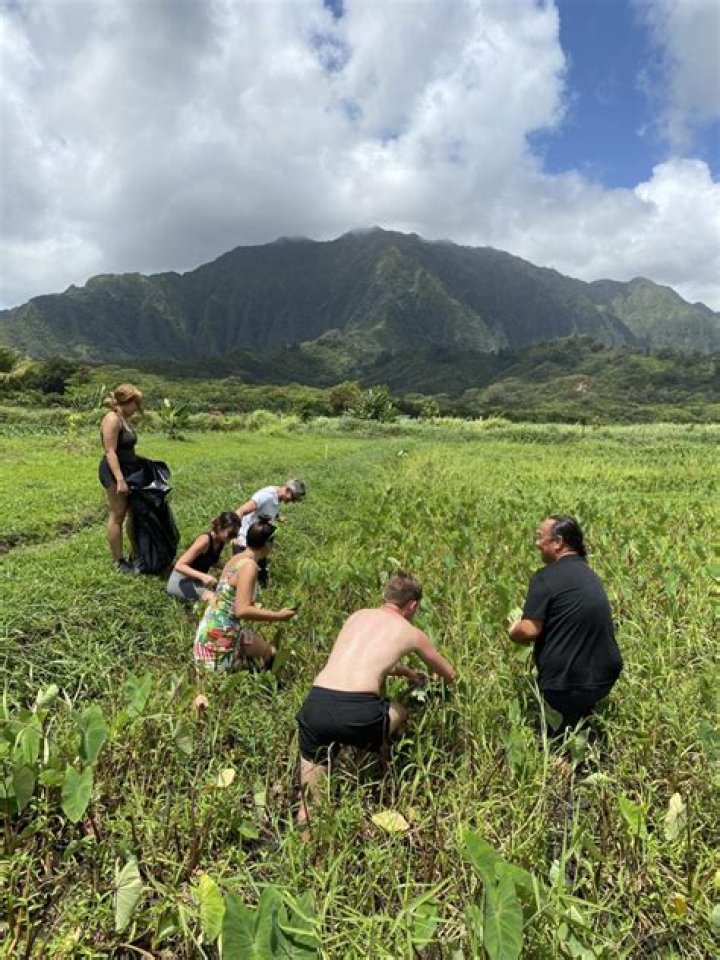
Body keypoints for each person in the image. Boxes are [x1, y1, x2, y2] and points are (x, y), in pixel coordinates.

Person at [296, 572, 457, 826]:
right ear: (412, 605)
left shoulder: (357, 616)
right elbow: (450, 674)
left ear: (387, 596)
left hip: (316, 705)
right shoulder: (411, 632)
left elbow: (357, 660)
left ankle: (305, 841)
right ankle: (381, 770)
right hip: (358, 713)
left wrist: (403, 671)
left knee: (310, 805)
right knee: (400, 711)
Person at [508, 515, 623, 737]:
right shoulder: (589, 574)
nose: (537, 543)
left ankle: (565, 753)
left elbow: (529, 630)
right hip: (603, 675)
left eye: (540, 537)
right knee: (580, 728)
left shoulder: (545, 577)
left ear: (558, 542)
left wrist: (513, 629)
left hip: (566, 680)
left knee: (556, 741)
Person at [193, 521, 296, 671]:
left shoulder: (237, 558)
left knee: (270, 652)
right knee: (271, 657)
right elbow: (241, 610)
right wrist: (278, 616)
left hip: (210, 629)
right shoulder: (249, 567)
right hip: (220, 636)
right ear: (267, 545)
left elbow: (229, 597)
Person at [98, 383, 143, 572]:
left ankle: (137, 554)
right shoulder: (112, 419)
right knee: (117, 515)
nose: (137, 408)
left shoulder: (124, 419)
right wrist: (120, 480)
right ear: (128, 401)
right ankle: (118, 560)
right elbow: (110, 452)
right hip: (115, 472)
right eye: (136, 404)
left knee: (133, 512)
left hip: (129, 471)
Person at [233, 479, 306, 584]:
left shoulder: (276, 497)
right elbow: (240, 511)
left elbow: (265, 511)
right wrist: (235, 536)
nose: (293, 502)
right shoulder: (267, 496)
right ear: (288, 490)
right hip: (244, 542)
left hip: (257, 544)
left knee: (261, 579)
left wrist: (278, 517)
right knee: (241, 578)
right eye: (293, 498)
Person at [166, 512, 241, 604]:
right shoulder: (204, 540)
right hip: (180, 581)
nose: (232, 537)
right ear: (219, 528)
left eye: (235, 534)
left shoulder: (221, 541)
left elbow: (211, 559)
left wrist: (231, 566)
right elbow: (179, 565)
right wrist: (203, 576)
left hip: (195, 581)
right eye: (231, 534)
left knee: (228, 595)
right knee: (219, 601)